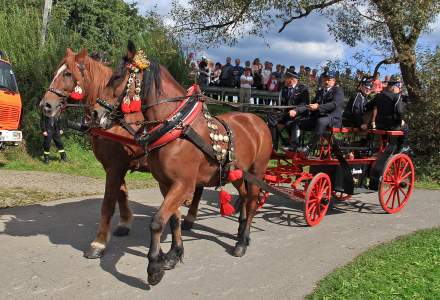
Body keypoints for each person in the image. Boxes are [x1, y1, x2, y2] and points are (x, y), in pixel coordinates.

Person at [292, 70, 344, 155]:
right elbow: (313, 103)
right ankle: (294, 146)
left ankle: (309, 147)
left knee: (321, 121)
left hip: (333, 118)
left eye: (329, 79)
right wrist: (300, 109)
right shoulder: (320, 91)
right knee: (297, 121)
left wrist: (318, 107)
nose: (326, 81)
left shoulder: (338, 90)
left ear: (334, 81)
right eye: (325, 79)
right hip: (320, 116)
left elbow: (334, 104)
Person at [364, 75, 410, 152]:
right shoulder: (396, 97)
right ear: (394, 87)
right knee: (406, 128)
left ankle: (385, 146)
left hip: (379, 125)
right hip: (392, 126)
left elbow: (367, 106)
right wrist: (400, 121)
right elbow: (399, 111)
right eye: (399, 88)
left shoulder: (378, 96)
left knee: (385, 129)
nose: (399, 90)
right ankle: (401, 148)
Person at [267, 69, 310, 150]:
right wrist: (276, 110)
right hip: (287, 114)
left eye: (286, 78)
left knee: (292, 122)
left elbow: (304, 105)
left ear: (292, 79)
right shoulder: (284, 89)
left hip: (299, 115)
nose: (284, 80)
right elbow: (283, 104)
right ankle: (273, 144)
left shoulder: (303, 89)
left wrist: (295, 111)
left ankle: (294, 145)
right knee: (271, 116)